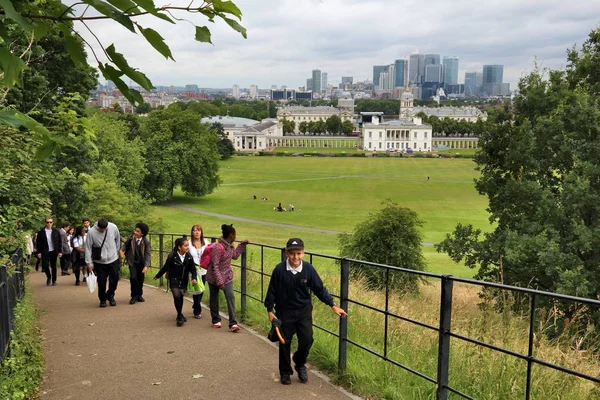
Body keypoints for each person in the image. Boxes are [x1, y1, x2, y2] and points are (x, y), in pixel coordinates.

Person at [264, 238, 347, 385]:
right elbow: (272, 291)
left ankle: (299, 362)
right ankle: (285, 372)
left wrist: (333, 305)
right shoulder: (279, 270)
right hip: (284, 312)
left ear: (303, 253)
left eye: (299, 253)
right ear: (286, 253)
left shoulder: (308, 269)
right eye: (292, 254)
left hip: (303, 312)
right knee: (284, 342)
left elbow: (319, 289)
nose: (295, 257)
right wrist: (270, 310)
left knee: (307, 339)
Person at [206, 224, 248, 332]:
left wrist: (241, 245)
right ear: (230, 235)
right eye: (235, 234)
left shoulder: (230, 246)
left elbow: (234, 256)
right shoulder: (218, 247)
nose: (236, 236)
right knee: (214, 297)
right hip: (214, 277)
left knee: (231, 297)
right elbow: (215, 265)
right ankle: (216, 319)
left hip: (227, 276)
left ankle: (233, 323)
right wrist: (219, 281)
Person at [154, 237, 197, 326]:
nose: (187, 247)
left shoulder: (189, 257)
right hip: (174, 280)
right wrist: (158, 276)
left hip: (184, 280)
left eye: (188, 245)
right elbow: (165, 267)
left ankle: (179, 314)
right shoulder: (172, 256)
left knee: (181, 297)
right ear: (179, 247)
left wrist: (194, 278)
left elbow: (193, 269)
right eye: (185, 246)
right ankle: (180, 316)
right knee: (176, 296)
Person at [85, 218, 122, 307]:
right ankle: (102, 299)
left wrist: (117, 251)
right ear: (98, 226)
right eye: (102, 229)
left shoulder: (113, 227)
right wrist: (89, 262)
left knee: (115, 279)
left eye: (106, 228)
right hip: (99, 261)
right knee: (101, 281)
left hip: (113, 259)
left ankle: (110, 295)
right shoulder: (91, 232)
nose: (104, 230)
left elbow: (118, 239)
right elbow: (88, 248)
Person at [121, 222, 151, 305]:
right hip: (132, 262)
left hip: (141, 263)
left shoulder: (146, 242)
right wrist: (122, 251)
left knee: (140, 279)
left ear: (142, 234)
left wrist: (146, 266)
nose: (135, 232)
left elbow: (148, 254)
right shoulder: (131, 239)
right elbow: (125, 246)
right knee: (133, 278)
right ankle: (133, 296)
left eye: (138, 231)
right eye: (135, 230)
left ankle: (139, 295)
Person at [188, 224, 210, 319]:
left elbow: (210, 254)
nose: (197, 232)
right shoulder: (188, 243)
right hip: (193, 269)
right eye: (195, 230)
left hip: (204, 269)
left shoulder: (206, 242)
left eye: (199, 230)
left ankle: (196, 304)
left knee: (201, 289)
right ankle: (197, 310)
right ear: (192, 232)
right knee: (197, 289)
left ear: (201, 232)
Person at [36, 217, 62, 286]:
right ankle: (49, 276)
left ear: (52, 223)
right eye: (48, 222)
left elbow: (59, 242)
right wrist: (38, 252)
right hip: (45, 251)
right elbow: (38, 243)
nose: (49, 224)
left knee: (53, 266)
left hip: (53, 251)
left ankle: (54, 280)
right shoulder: (41, 232)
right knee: (45, 265)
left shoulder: (56, 231)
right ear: (45, 223)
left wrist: (60, 251)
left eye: (50, 222)